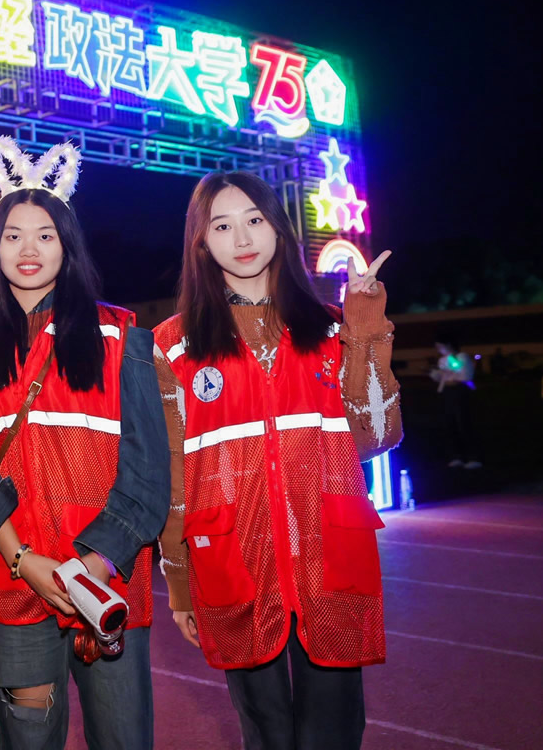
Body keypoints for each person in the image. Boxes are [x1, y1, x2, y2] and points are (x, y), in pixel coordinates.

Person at [154, 170, 403, 750]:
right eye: (222, 226)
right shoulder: (173, 344)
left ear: (279, 230)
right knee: (265, 733)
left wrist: (365, 327)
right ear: (201, 242)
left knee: (332, 733)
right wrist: (179, 581)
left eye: (255, 220)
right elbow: (173, 473)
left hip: (328, 554)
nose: (242, 238)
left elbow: (376, 434)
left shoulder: (331, 327)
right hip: (234, 563)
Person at [0, 138, 169, 750]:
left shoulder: (121, 338)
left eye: (45, 234)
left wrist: (93, 567)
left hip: (108, 581)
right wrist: (23, 560)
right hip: (17, 582)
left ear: (67, 245)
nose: (29, 249)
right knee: (28, 740)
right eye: (13, 235)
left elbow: (147, 476)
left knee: (123, 739)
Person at [431, 335, 480, 468]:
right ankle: (456, 456)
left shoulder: (462, 357)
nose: (438, 349)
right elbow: (445, 377)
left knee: (463, 423)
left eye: (440, 346)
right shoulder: (443, 359)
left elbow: (462, 374)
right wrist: (437, 374)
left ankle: (473, 457)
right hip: (447, 393)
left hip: (460, 392)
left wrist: (450, 358)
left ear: (448, 344)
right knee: (450, 424)